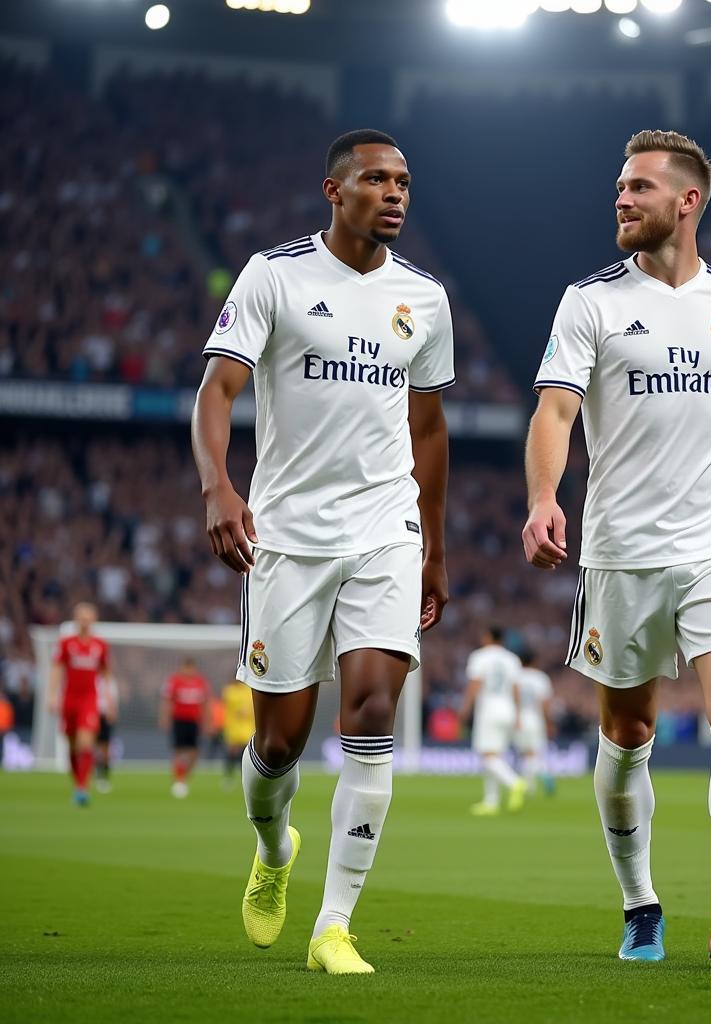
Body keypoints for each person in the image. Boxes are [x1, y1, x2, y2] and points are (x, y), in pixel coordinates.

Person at [522, 130, 711, 967]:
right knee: (627, 733)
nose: (621, 199)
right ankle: (640, 904)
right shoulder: (588, 301)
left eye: (640, 188)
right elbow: (555, 410)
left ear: (687, 202)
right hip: (621, 552)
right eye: (619, 188)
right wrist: (545, 497)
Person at [191, 128, 452, 976]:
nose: (396, 193)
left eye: (405, 181)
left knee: (373, 712)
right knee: (279, 745)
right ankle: (273, 851)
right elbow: (217, 391)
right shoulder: (275, 276)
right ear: (334, 192)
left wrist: (435, 549)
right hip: (289, 536)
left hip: (384, 529)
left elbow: (427, 426)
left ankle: (334, 927)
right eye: (378, 179)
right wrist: (219, 488)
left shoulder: (426, 298)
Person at [47, 602, 111, 806]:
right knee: (72, 744)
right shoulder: (66, 643)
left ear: (94, 620)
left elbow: (106, 672)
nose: (84, 621)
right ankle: (78, 783)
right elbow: (57, 668)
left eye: (88, 618)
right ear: (76, 619)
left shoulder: (100, 645)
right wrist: (51, 694)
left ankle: (83, 788)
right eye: (81, 617)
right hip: (69, 698)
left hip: (89, 699)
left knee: (86, 741)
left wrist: (108, 696)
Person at [460, 626, 527, 816]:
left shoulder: (479, 656)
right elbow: (516, 688)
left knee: (487, 756)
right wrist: (518, 714)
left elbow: (475, 684)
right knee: (495, 755)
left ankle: (514, 782)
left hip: (489, 710)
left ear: (487, 637)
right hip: (508, 710)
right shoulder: (512, 659)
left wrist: (465, 708)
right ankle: (491, 801)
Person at [159, 657, 211, 798]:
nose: (188, 671)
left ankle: (184, 777)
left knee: (194, 752)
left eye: (191, 668)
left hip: (194, 722)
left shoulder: (201, 683)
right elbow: (167, 700)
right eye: (186, 668)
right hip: (178, 720)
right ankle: (178, 779)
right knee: (178, 751)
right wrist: (164, 717)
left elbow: (206, 704)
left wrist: (207, 722)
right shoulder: (174, 681)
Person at [513, 649, 555, 794]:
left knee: (526, 754)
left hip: (521, 718)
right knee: (534, 753)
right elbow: (545, 704)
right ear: (534, 661)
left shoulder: (516, 677)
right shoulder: (541, 678)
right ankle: (531, 785)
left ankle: (541, 776)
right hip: (536, 719)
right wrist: (549, 722)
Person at [222, 678, 256, 787]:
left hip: (247, 727)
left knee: (246, 753)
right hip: (233, 727)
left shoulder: (249, 690)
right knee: (232, 752)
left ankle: (244, 777)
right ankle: (228, 776)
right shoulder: (230, 691)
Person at [95, 673, 119, 793]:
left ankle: (103, 775)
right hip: (92, 714)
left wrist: (113, 712)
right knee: (89, 745)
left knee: (105, 747)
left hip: (105, 716)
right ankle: (88, 773)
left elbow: (114, 699)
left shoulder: (110, 681)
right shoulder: (92, 678)